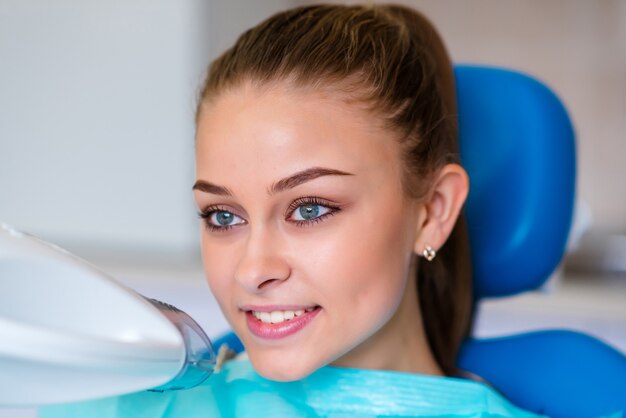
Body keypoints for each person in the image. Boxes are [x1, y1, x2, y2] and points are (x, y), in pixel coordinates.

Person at [40, 4, 544, 417]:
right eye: (223, 216)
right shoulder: (114, 405)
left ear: (432, 210)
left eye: (308, 210)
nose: (253, 271)